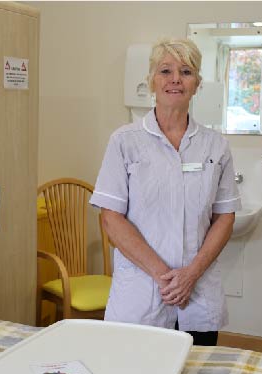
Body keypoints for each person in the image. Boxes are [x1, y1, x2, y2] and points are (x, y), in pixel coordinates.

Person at [89, 38, 240, 346]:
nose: (175, 79)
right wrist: (164, 276)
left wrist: (190, 275)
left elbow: (224, 217)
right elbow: (111, 218)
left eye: (186, 71)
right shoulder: (125, 141)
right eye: (165, 71)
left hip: (196, 297)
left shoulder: (215, 145)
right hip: (141, 298)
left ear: (197, 84)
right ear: (151, 81)